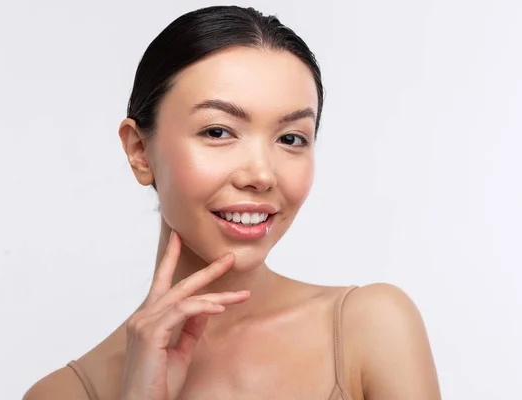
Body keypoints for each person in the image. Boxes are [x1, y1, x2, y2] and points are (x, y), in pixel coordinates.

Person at [23, 5, 441, 400]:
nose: (260, 175)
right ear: (139, 151)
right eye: (218, 132)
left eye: (291, 138)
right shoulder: (64, 393)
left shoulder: (372, 327)